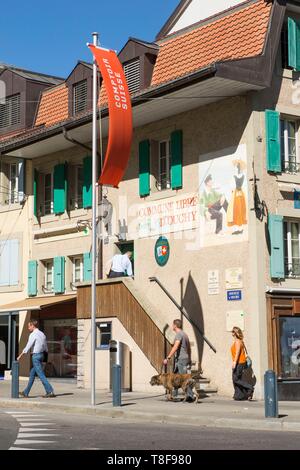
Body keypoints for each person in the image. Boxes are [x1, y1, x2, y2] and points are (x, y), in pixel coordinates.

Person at [17, 320, 55, 398]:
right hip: (41, 355)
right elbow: (45, 347)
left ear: (32, 326)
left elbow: (28, 346)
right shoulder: (42, 334)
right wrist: (45, 358)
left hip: (36, 357)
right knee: (32, 373)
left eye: (29, 326)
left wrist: (20, 356)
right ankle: (26, 392)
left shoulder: (33, 334)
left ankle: (50, 391)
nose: (28, 328)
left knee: (41, 374)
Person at [163, 319, 194, 402]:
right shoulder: (185, 334)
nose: (172, 326)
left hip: (181, 359)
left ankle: (190, 396)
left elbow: (175, 347)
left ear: (175, 326)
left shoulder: (179, 335)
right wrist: (189, 358)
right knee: (174, 377)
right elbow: (189, 348)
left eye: (173, 325)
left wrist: (168, 357)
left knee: (184, 378)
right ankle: (173, 395)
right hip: (183, 358)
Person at [231, 326, 254, 401]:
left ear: (235, 333)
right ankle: (239, 395)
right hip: (240, 362)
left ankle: (250, 387)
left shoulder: (238, 341)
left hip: (239, 362)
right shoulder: (240, 341)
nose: (232, 333)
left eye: (233, 331)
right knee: (237, 379)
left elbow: (237, 352)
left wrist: (234, 362)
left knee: (236, 379)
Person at [227, 160, 247, 235]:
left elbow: (232, 187)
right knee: (236, 210)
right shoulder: (240, 176)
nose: (238, 168)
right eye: (237, 167)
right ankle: (238, 228)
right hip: (239, 194)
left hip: (238, 194)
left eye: (238, 167)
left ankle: (239, 228)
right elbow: (232, 187)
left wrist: (232, 190)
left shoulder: (238, 176)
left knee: (238, 210)